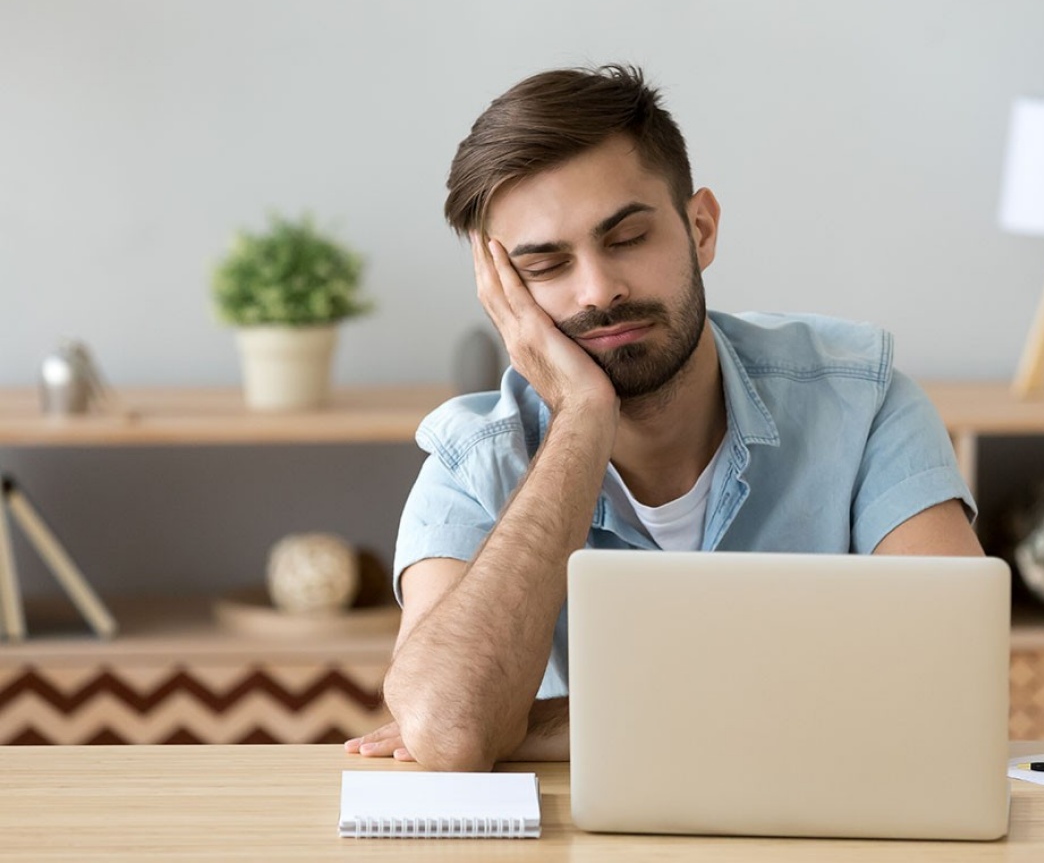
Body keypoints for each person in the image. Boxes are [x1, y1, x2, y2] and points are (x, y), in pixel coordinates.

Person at [345, 64, 983, 771]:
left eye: (626, 239)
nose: (599, 291)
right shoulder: (475, 459)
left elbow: (951, 686)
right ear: (503, 297)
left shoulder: (862, 403)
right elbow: (448, 729)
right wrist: (583, 416)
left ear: (700, 228)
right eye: (547, 266)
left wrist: (533, 725)